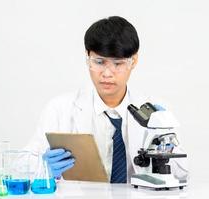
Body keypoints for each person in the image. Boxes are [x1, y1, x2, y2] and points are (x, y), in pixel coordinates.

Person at [25, 16, 188, 183]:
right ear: (87, 57)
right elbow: (22, 165)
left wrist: (164, 137)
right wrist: (42, 167)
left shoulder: (156, 113)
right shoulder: (60, 108)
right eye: (99, 62)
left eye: (118, 63)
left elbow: (182, 173)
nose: (107, 73)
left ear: (134, 61)